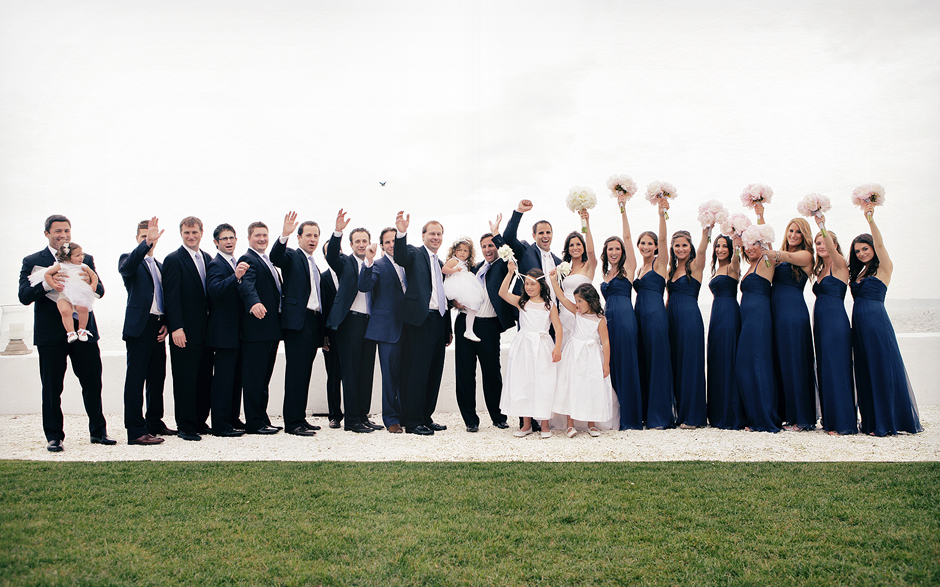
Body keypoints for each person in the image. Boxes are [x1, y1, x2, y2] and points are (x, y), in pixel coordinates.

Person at [19, 214, 112, 452]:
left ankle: (98, 433)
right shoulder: (32, 260)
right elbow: (24, 297)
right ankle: (54, 436)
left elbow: (100, 290)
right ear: (47, 234)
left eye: (67, 231)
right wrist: (49, 284)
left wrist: (90, 281)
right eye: (58, 231)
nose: (63, 235)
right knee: (51, 387)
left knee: (92, 382)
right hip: (51, 335)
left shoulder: (84, 257)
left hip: (83, 330)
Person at [849, 203, 921, 436]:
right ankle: (871, 421)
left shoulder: (884, 267)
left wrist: (869, 218)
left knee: (881, 368)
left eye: (865, 249)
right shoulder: (859, 273)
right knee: (865, 369)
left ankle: (886, 421)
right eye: (858, 251)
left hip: (876, 322)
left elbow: (880, 245)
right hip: (859, 325)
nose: (861, 253)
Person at [757, 205, 817, 431]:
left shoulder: (804, 255)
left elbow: (782, 254)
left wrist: (773, 253)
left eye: (798, 232)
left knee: (795, 362)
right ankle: (783, 413)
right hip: (775, 312)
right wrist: (760, 215)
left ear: (804, 236)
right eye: (790, 231)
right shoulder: (779, 256)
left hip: (792, 314)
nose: (793, 235)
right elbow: (769, 250)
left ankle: (801, 417)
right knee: (779, 362)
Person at [452, 216, 515, 433]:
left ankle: (498, 417)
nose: (488, 249)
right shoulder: (474, 268)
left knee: (492, 372)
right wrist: (454, 300)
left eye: (491, 245)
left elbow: (509, 248)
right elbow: (456, 285)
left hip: (489, 327)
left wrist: (497, 233)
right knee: (465, 373)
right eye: (484, 246)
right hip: (465, 324)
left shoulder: (504, 266)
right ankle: (470, 420)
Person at [393, 211, 452, 436]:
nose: (436, 237)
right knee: (415, 372)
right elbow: (400, 256)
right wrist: (401, 232)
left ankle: (426, 417)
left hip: (438, 321)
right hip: (420, 320)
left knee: (433, 372)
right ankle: (413, 421)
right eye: (432, 233)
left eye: (439, 234)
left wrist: (446, 329)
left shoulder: (441, 262)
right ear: (423, 235)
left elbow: (443, 294)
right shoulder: (413, 253)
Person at [118, 217, 175, 446]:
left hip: (158, 327)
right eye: (143, 237)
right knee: (136, 380)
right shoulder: (129, 260)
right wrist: (145, 245)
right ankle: (135, 431)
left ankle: (154, 422)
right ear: (137, 239)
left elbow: (165, 298)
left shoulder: (160, 266)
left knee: (156, 378)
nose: (149, 240)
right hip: (139, 328)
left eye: (152, 236)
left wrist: (167, 323)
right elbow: (128, 266)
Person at [270, 212, 325, 437]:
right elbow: (276, 257)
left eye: (316, 236)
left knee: (305, 373)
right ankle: (292, 423)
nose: (312, 239)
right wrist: (284, 234)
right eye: (308, 235)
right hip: (298, 323)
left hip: (313, 322)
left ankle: (300, 417)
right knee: (296, 373)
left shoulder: (315, 265)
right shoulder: (292, 256)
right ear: (299, 238)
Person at [327, 210, 379, 434]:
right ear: (350, 245)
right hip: (349, 323)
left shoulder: (373, 264)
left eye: (364, 241)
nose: (361, 244)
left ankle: (362, 416)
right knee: (350, 371)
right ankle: (351, 420)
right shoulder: (344, 262)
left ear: (370, 243)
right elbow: (330, 256)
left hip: (370, 323)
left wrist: (369, 261)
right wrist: (337, 231)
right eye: (357, 241)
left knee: (366, 371)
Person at [162, 216, 214, 441]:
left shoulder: (208, 258)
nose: (191, 236)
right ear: (181, 234)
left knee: (204, 378)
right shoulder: (173, 259)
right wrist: (176, 327)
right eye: (186, 233)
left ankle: (201, 421)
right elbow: (171, 297)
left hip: (206, 331)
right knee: (185, 379)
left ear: (201, 233)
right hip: (184, 331)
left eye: (194, 232)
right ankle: (185, 426)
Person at [498, 261, 562, 438]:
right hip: (524, 346)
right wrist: (510, 273)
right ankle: (526, 425)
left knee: (544, 383)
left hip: (543, 346)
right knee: (524, 381)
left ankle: (545, 424)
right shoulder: (522, 302)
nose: (529, 287)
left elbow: (557, 327)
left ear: (541, 285)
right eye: (526, 283)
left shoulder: (549, 305)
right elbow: (502, 293)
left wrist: (557, 348)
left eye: (533, 283)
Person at [549, 277, 617, 437]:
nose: (577, 304)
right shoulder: (577, 313)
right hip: (574, 354)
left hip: (592, 356)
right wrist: (553, 282)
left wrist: (606, 363)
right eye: (576, 301)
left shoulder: (600, 319)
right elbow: (562, 298)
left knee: (591, 386)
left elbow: (605, 342)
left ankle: (591, 424)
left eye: (579, 301)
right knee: (572, 385)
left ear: (590, 301)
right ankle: (570, 424)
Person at [811, 216, 857, 435]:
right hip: (820, 323)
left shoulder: (840, 265)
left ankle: (844, 423)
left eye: (824, 242)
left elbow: (830, 244)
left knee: (837, 368)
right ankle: (830, 420)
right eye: (817, 243)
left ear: (834, 245)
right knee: (825, 368)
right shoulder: (820, 271)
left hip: (835, 322)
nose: (820, 246)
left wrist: (821, 225)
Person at [600, 197, 643, 430]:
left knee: (627, 364)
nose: (614, 252)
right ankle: (613, 416)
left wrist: (622, 209)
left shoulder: (628, 270)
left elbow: (628, 238)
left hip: (625, 318)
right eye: (610, 249)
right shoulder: (605, 273)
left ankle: (631, 418)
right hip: (608, 321)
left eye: (617, 249)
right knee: (611, 364)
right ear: (605, 252)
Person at [237, 221, 283, 435]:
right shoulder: (248, 258)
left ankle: (262, 418)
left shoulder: (267, 261)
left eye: (265, 235)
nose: (262, 239)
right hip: (257, 330)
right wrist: (254, 302)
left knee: (264, 378)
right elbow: (247, 284)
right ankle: (254, 423)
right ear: (249, 238)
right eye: (257, 235)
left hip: (271, 330)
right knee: (255, 379)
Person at [358, 227, 406, 433]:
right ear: (382, 245)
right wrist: (368, 261)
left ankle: (407, 415)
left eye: (395, 241)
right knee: (389, 376)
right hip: (387, 329)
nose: (392, 245)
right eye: (387, 242)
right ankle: (391, 418)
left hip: (410, 327)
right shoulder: (377, 265)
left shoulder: (408, 264)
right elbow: (364, 285)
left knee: (407, 375)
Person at [634, 200, 675, 429]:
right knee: (644, 361)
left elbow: (664, 239)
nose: (646, 246)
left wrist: (662, 214)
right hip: (639, 315)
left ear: (656, 246)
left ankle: (659, 416)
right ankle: (645, 412)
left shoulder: (660, 265)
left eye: (650, 243)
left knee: (657, 361)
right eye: (643, 243)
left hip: (656, 315)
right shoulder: (639, 268)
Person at [206, 223, 249, 437]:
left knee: (236, 379)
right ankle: (221, 425)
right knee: (223, 380)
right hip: (223, 333)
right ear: (216, 242)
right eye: (224, 238)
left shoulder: (235, 262)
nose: (229, 241)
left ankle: (232, 418)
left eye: (232, 237)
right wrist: (236, 277)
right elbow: (213, 290)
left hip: (238, 332)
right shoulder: (216, 265)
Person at [666, 228, 709, 429]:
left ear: (690, 247)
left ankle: (694, 417)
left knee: (690, 365)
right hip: (671, 320)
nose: (681, 249)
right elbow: (668, 299)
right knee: (676, 365)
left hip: (689, 318)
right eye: (677, 245)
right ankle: (680, 414)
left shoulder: (695, 266)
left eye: (684, 245)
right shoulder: (670, 271)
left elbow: (702, 251)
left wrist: (706, 231)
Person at [736, 241, 780, 433]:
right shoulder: (749, 266)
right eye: (747, 246)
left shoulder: (766, 262)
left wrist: (760, 215)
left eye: (754, 244)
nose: (750, 248)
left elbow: (771, 252)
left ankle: (764, 419)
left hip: (759, 317)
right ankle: (754, 416)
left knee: (758, 364)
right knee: (746, 365)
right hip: (746, 319)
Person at [706, 234, 744, 430]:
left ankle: (730, 414)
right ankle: (717, 411)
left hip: (729, 313)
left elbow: (737, 260)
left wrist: (737, 245)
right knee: (717, 359)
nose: (720, 249)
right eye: (718, 246)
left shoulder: (732, 267)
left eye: (724, 246)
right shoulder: (716, 269)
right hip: (716, 315)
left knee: (729, 358)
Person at [31, 243, 98, 343]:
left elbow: (94, 276)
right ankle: (71, 332)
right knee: (65, 311)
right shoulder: (61, 266)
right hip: (65, 294)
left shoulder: (83, 266)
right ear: (67, 257)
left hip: (79, 294)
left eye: (82, 254)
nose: (81, 257)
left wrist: (93, 285)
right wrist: (53, 284)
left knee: (83, 309)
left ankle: (82, 330)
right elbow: (47, 274)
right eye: (77, 255)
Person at [555, 210, 598, 347]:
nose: (575, 248)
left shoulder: (588, 266)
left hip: (581, 315)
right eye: (571, 245)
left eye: (578, 244)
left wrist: (587, 224)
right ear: (567, 249)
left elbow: (591, 251)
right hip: (564, 317)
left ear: (583, 247)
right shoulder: (565, 269)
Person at [503, 199, 562, 296]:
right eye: (541, 233)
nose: (545, 236)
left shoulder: (558, 262)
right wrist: (519, 212)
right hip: (528, 308)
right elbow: (508, 238)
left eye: (548, 232)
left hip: (553, 309)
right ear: (534, 236)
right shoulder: (525, 251)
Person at [442, 237, 487, 342]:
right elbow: (444, 269)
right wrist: (454, 270)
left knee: (473, 306)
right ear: (455, 251)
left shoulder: (466, 264)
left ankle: (469, 330)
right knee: (472, 305)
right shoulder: (454, 260)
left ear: (469, 253)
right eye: (459, 250)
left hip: (465, 284)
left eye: (465, 250)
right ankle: (469, 330)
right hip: (457, 285)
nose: (462, 253)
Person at [320, 244, 344, 428]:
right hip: (332, 335)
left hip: (352, 333)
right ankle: (334, 415)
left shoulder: (350, 274)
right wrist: (324, 335)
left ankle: (356, 413)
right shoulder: (322, 278)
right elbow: (322, 309)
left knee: (353, 375)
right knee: (334, 376)